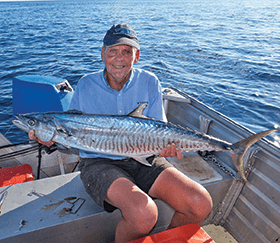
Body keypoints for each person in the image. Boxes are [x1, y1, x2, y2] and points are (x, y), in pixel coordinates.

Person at [29, 24, 213, 243]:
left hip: (144, 158)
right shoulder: (86, 85)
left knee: (199, 203)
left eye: (127, 51)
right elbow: (72, 139)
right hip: (99, 162)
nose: (119, 58)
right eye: (112, 51)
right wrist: (50, 142)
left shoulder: (149, 81)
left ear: (137, 56)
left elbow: (159, 130)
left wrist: (167, 147)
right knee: (144, 213)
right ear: (102, 54)